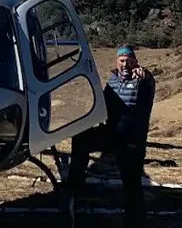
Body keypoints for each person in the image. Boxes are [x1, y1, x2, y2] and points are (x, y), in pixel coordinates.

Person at [61, 45, 156, 228]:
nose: (125, 64)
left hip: (131, 140)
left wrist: (146, 74)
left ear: (136, 62)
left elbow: (149, 81)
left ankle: (134, 221)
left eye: (129, 61)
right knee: (81, 137)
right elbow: (103, 104)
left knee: (131, 183)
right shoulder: (112, 80)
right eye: (122, 60)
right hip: (111, 135)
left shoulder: (142, 81)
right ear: (117, 62)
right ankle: (75, 184)